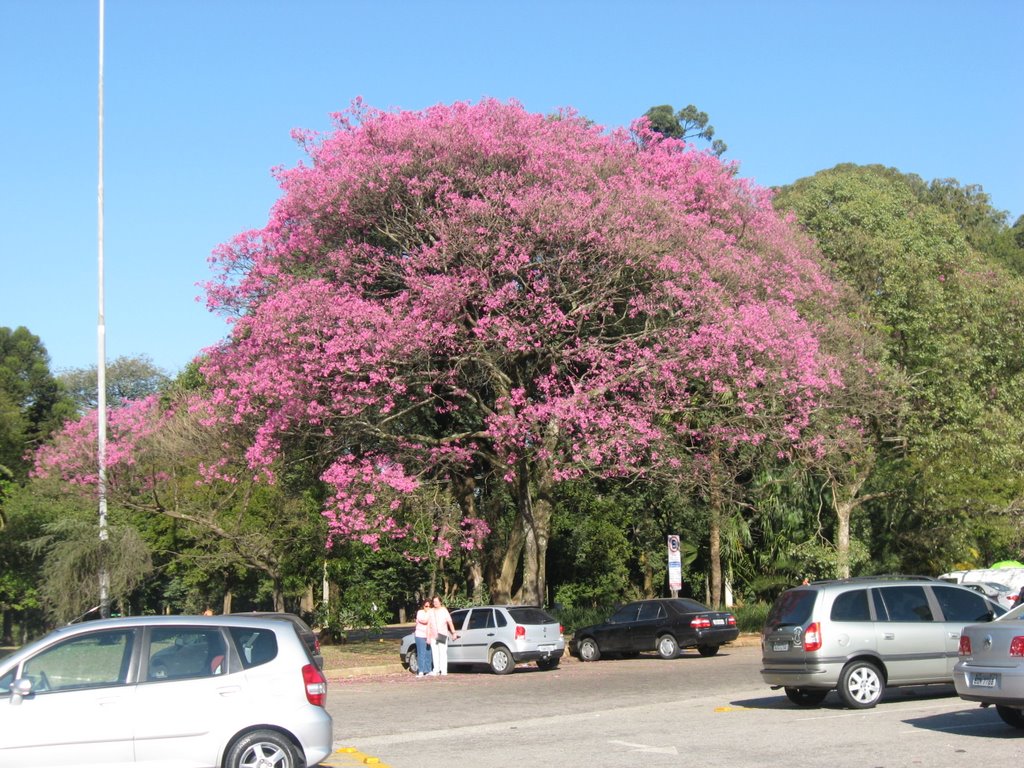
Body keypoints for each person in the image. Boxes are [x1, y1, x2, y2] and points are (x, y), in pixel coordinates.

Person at [429, 595, 459, 676]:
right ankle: (436, 670)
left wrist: (453, 632)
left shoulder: (444, 610)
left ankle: (443, 670)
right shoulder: (431, 611)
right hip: (433, 635)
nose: (435, 603)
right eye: (434, 602)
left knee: (442, 653)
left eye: (437, 601)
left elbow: (450, 622)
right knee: (435, 653)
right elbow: (428, 624)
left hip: (441, 634)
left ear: (440, 602)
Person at [413, 598, 434, 677]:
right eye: (426, 606)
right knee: (421, 653)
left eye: (429, 606)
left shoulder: (431, 612)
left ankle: (428, 670)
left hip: (429, 635)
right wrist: (429, 615)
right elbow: (424, 620)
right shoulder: (420, 612)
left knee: (428, 653)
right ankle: (421, 670)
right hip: (420, 635)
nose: (427, 607)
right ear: (423, 606)